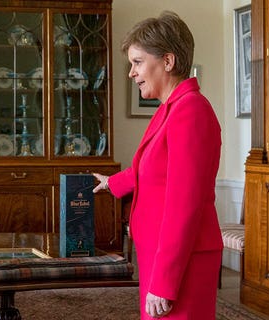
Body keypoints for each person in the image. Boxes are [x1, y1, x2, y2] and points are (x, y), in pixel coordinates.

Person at [93, 11, 223, 319]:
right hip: (161, 252)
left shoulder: (191, 111)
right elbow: (154, 169)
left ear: (168, 61)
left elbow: (184, 204)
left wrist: (164, 282)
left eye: (137, 62)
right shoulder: (172, 109)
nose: (131, 73)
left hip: (181, 258)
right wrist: (114, 183)